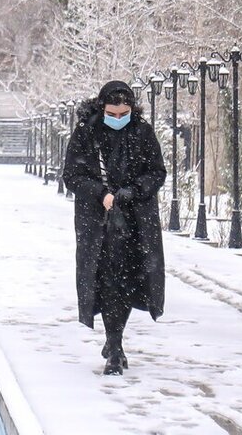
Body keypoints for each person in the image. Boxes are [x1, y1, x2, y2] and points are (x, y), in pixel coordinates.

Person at [62, 80, 167, 375]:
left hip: (136, 222)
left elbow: (157, 171)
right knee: (107, 279)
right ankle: (115, 345)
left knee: (130, 280)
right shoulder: (86, 133)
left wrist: (134, 191)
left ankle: (115, 338)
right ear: (102, 108)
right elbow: (72, 174)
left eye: (124, 114)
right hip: (99, 223)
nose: (118, 119)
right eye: (113, 113)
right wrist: (102, 194)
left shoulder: (143, 133)